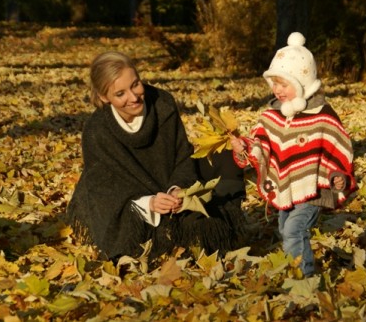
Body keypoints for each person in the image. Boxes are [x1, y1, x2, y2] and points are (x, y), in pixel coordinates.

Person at [66, 51, 246, 261]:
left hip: (172, 184)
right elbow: (104, 185)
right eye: (120, 94)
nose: (133, 97)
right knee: (115, 221)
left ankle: (228, 228)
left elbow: (182, 155)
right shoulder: (97, 130)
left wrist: (177, 188)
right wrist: (148, 203)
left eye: (135, 84)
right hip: (131, 200)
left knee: (226, 157)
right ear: (104, 97)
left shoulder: (163, 104)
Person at [230, 32, 356, 277]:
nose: (277, 90)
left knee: (294, 230)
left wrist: (339, 175)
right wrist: (244, 147)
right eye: (274, 83)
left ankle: (304, 278)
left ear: (301, 83)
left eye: (283, 84)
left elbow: (337, 147)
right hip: (284, 185)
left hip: (314, 189)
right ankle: (293, 267)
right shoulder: (273, 115)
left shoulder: (322, 116)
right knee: (283, 226)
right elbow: (261, 141)